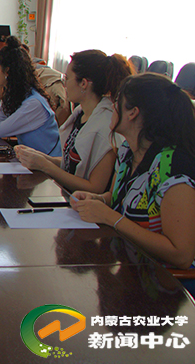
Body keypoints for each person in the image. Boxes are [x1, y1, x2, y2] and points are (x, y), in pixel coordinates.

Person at [71, 73, 195, 271]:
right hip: (129, 264)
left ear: (132, 113)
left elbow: (181, 255)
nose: (112, 107)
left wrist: (110, 217)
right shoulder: (127, 150)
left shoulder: (174, 168)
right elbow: (118, 198)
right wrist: (97, 199)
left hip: (164, 280)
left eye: (117, 102)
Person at [16, 50, 134, 193]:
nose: (64, 84)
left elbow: (94, 188)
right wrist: (40, 157)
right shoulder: (81, 113)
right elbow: (72, 164)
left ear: (83, 83)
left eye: (67, 78)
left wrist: (45, 166)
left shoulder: (105, 126)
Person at [0, 36, 61, 156]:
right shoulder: (17, 95)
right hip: (30, 160)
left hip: (47, 164)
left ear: (7, 72)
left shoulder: (34, 104)